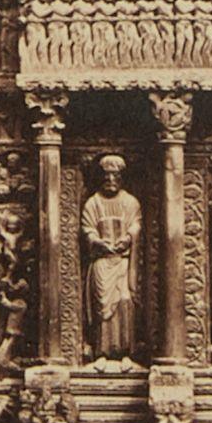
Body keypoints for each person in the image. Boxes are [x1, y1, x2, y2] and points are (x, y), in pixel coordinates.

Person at [81, 154, 142, 365]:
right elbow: (87, 229)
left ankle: (126, 352)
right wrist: (97, 241)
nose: (111, 180)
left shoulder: (130, 202)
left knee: (125, 301)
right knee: (101, 305)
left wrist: (128, 237)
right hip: (102, 261)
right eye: (106, 176)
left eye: (115, 176)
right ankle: (102, 353)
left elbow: (136, 225)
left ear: (122, 178)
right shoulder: (93, 203)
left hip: (122, 261)